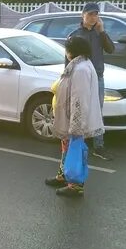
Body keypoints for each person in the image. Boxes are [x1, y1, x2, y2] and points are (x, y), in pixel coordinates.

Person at [46, 35, 104, 197]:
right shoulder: (80, 65)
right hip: (69, 119)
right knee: (67, 149)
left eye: (67, 49)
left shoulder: (81, 70)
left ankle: (76, 185)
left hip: (75, 121)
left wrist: (76, 127)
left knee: (75, 152)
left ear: (72, 51)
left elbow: (79, 100)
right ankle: (64, 175)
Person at [67, 2, 115, 161]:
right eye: (90, 14)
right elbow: (67, 59)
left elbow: (110, 49)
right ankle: (77, 143)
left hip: (97, 78)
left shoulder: (98, 34)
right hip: (80, 78)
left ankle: (99, 146)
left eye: (96, 14)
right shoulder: (75, 34)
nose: (93, 17)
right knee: (79, 109)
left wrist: (102, 32)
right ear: (83, 15)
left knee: (97, 111)